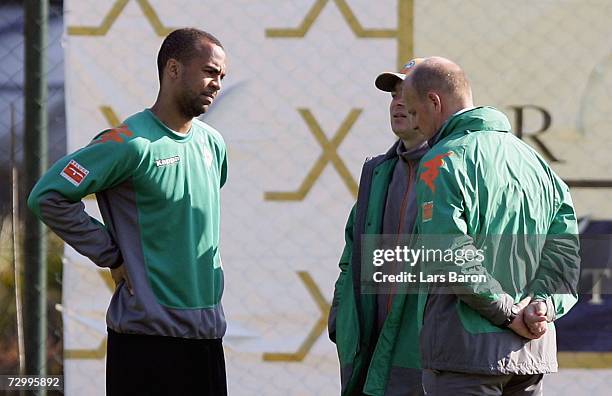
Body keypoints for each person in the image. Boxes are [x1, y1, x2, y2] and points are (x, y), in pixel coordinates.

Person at [28, 28, 228, 395]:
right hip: (147, 342)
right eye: (210, 71)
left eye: (221, 76)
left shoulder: (212, 145)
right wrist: (111, 254)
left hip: (207, 338)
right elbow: (48, 195)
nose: (217, 83)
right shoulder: (128, 143)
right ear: (173, 69)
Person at [400, 57, 580, 395]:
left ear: (434, 102)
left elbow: (448, 252)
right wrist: (543, 306)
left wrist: (506, 312)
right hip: (530, 355)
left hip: (465, 356)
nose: (415, 122)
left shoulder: (441, 161)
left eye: (413, 111)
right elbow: (566, 254)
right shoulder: (538, 165)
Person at [329, 59, 430, 396]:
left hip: (425, 360)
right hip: (371, 356)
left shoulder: (454, 169)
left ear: (434, 104)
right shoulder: (378, 171)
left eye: (408, 94)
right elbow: (351, 253)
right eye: (393, 95)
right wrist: (342, 318)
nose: (397, 103)